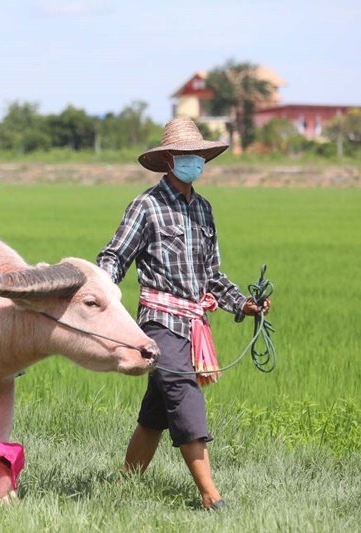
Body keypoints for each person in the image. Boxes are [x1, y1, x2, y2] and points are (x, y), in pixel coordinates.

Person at [96, 118, 270, 510]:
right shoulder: (147, 206)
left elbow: (211, 275)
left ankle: (125, 483)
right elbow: (114, 255)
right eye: (186, 156)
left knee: (157, 410)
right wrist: (102, 296)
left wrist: (243, 304)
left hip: (192, 324)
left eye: (199, 156)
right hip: (158, 319)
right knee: (183, 393)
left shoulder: (204, 210)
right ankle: (211, 496)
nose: (194, 162)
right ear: (170, 160)